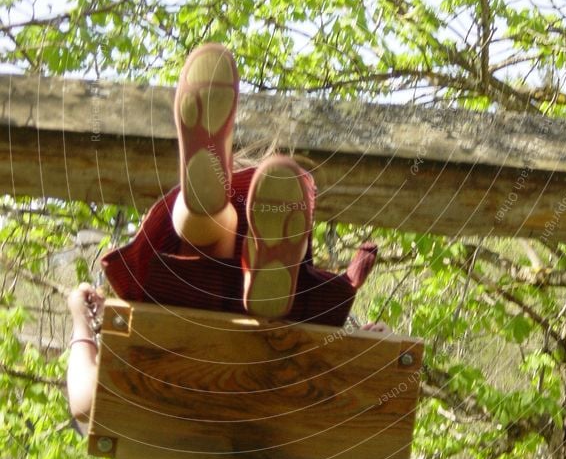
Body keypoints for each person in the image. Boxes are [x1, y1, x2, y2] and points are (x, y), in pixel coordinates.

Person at [67, 44, 385, 422]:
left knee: (203, 246)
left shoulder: (147, 394)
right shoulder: (281, 409)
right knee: (216, 255)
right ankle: (237, 247)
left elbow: (82, 406)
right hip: (272, 350)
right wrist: (370, 346)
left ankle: (210, 212)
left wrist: (81, 322)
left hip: (184, 318)